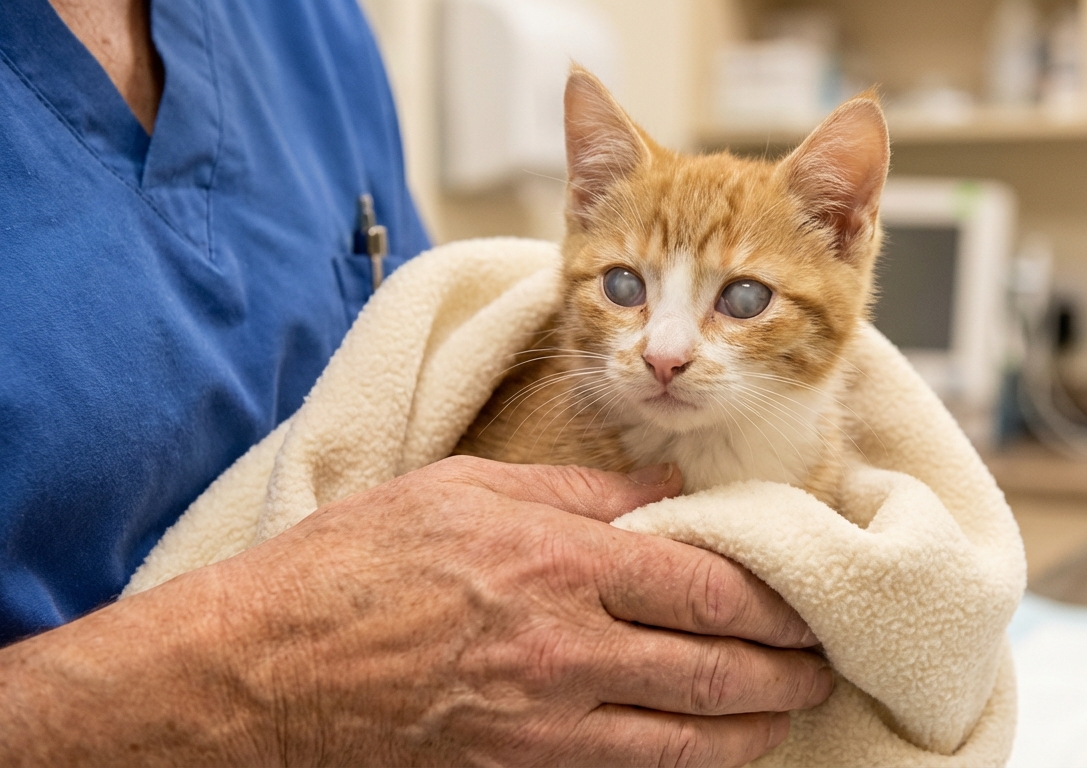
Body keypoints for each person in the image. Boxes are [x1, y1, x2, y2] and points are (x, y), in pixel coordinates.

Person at [0, 1, 833, 764]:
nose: (667, 350)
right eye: (627, 288)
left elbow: (425, 346)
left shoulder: (315, 26)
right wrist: (274, 677)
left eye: (744, 298)